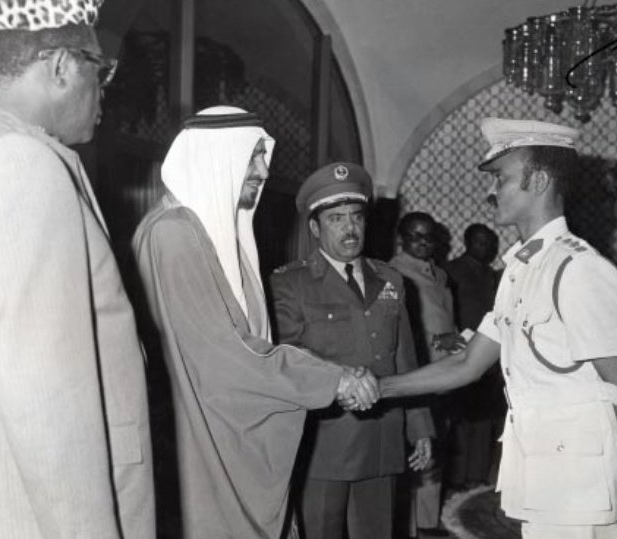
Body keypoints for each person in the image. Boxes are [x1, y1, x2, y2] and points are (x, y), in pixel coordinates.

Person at [379, 118, 617, 539]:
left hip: (583, 484)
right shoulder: (519, 270)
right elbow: (466, 363)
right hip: (540, 472)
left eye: (501, 178)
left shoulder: (579, 270)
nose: (491, 191)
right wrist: (380, 387)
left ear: (540, 181)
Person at [132, 107, 377, 539]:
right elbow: (223, 356)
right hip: (203, 446)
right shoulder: (172, 234)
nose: (264, 171)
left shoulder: (209, 233)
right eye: (254, 156)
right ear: (216, 156)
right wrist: (332, 379)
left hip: (226, 438)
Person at [0, 1, 156, 537]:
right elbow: (47, 407)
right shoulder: (21, 164)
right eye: (101, 72)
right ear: (59, 67)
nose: (103, 93)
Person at [269, 163, 435, 539]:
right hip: (324, 443)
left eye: (356, 217)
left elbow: (406, 357)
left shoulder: (391, 279)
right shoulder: (290, 283)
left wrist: (419, 426)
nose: (350, 229)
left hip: (382, 439)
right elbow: (288, 356)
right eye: (336, 219)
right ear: (315, 228)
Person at [390, 212, 455, 536]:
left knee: (435, 451)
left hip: (445, 376)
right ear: (401, 238)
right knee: (417, 453)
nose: (423, 242)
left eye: (429, 236)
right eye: (415, 235)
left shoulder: (439, 275)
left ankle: (427, 523)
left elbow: (445, 326)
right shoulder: (393, 274)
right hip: (417, 376)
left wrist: (460, 346)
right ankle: (411, 527)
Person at [443, 223, 505, 491]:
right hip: (461, 352)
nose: (486, 247)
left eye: (490, 243)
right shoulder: (450, 271)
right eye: (480, 241)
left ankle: (477, 477)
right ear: (467, 242)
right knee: (460, 418)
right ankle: (456, 479)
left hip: (489, 354)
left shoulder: (493, 275)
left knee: (484, 418)